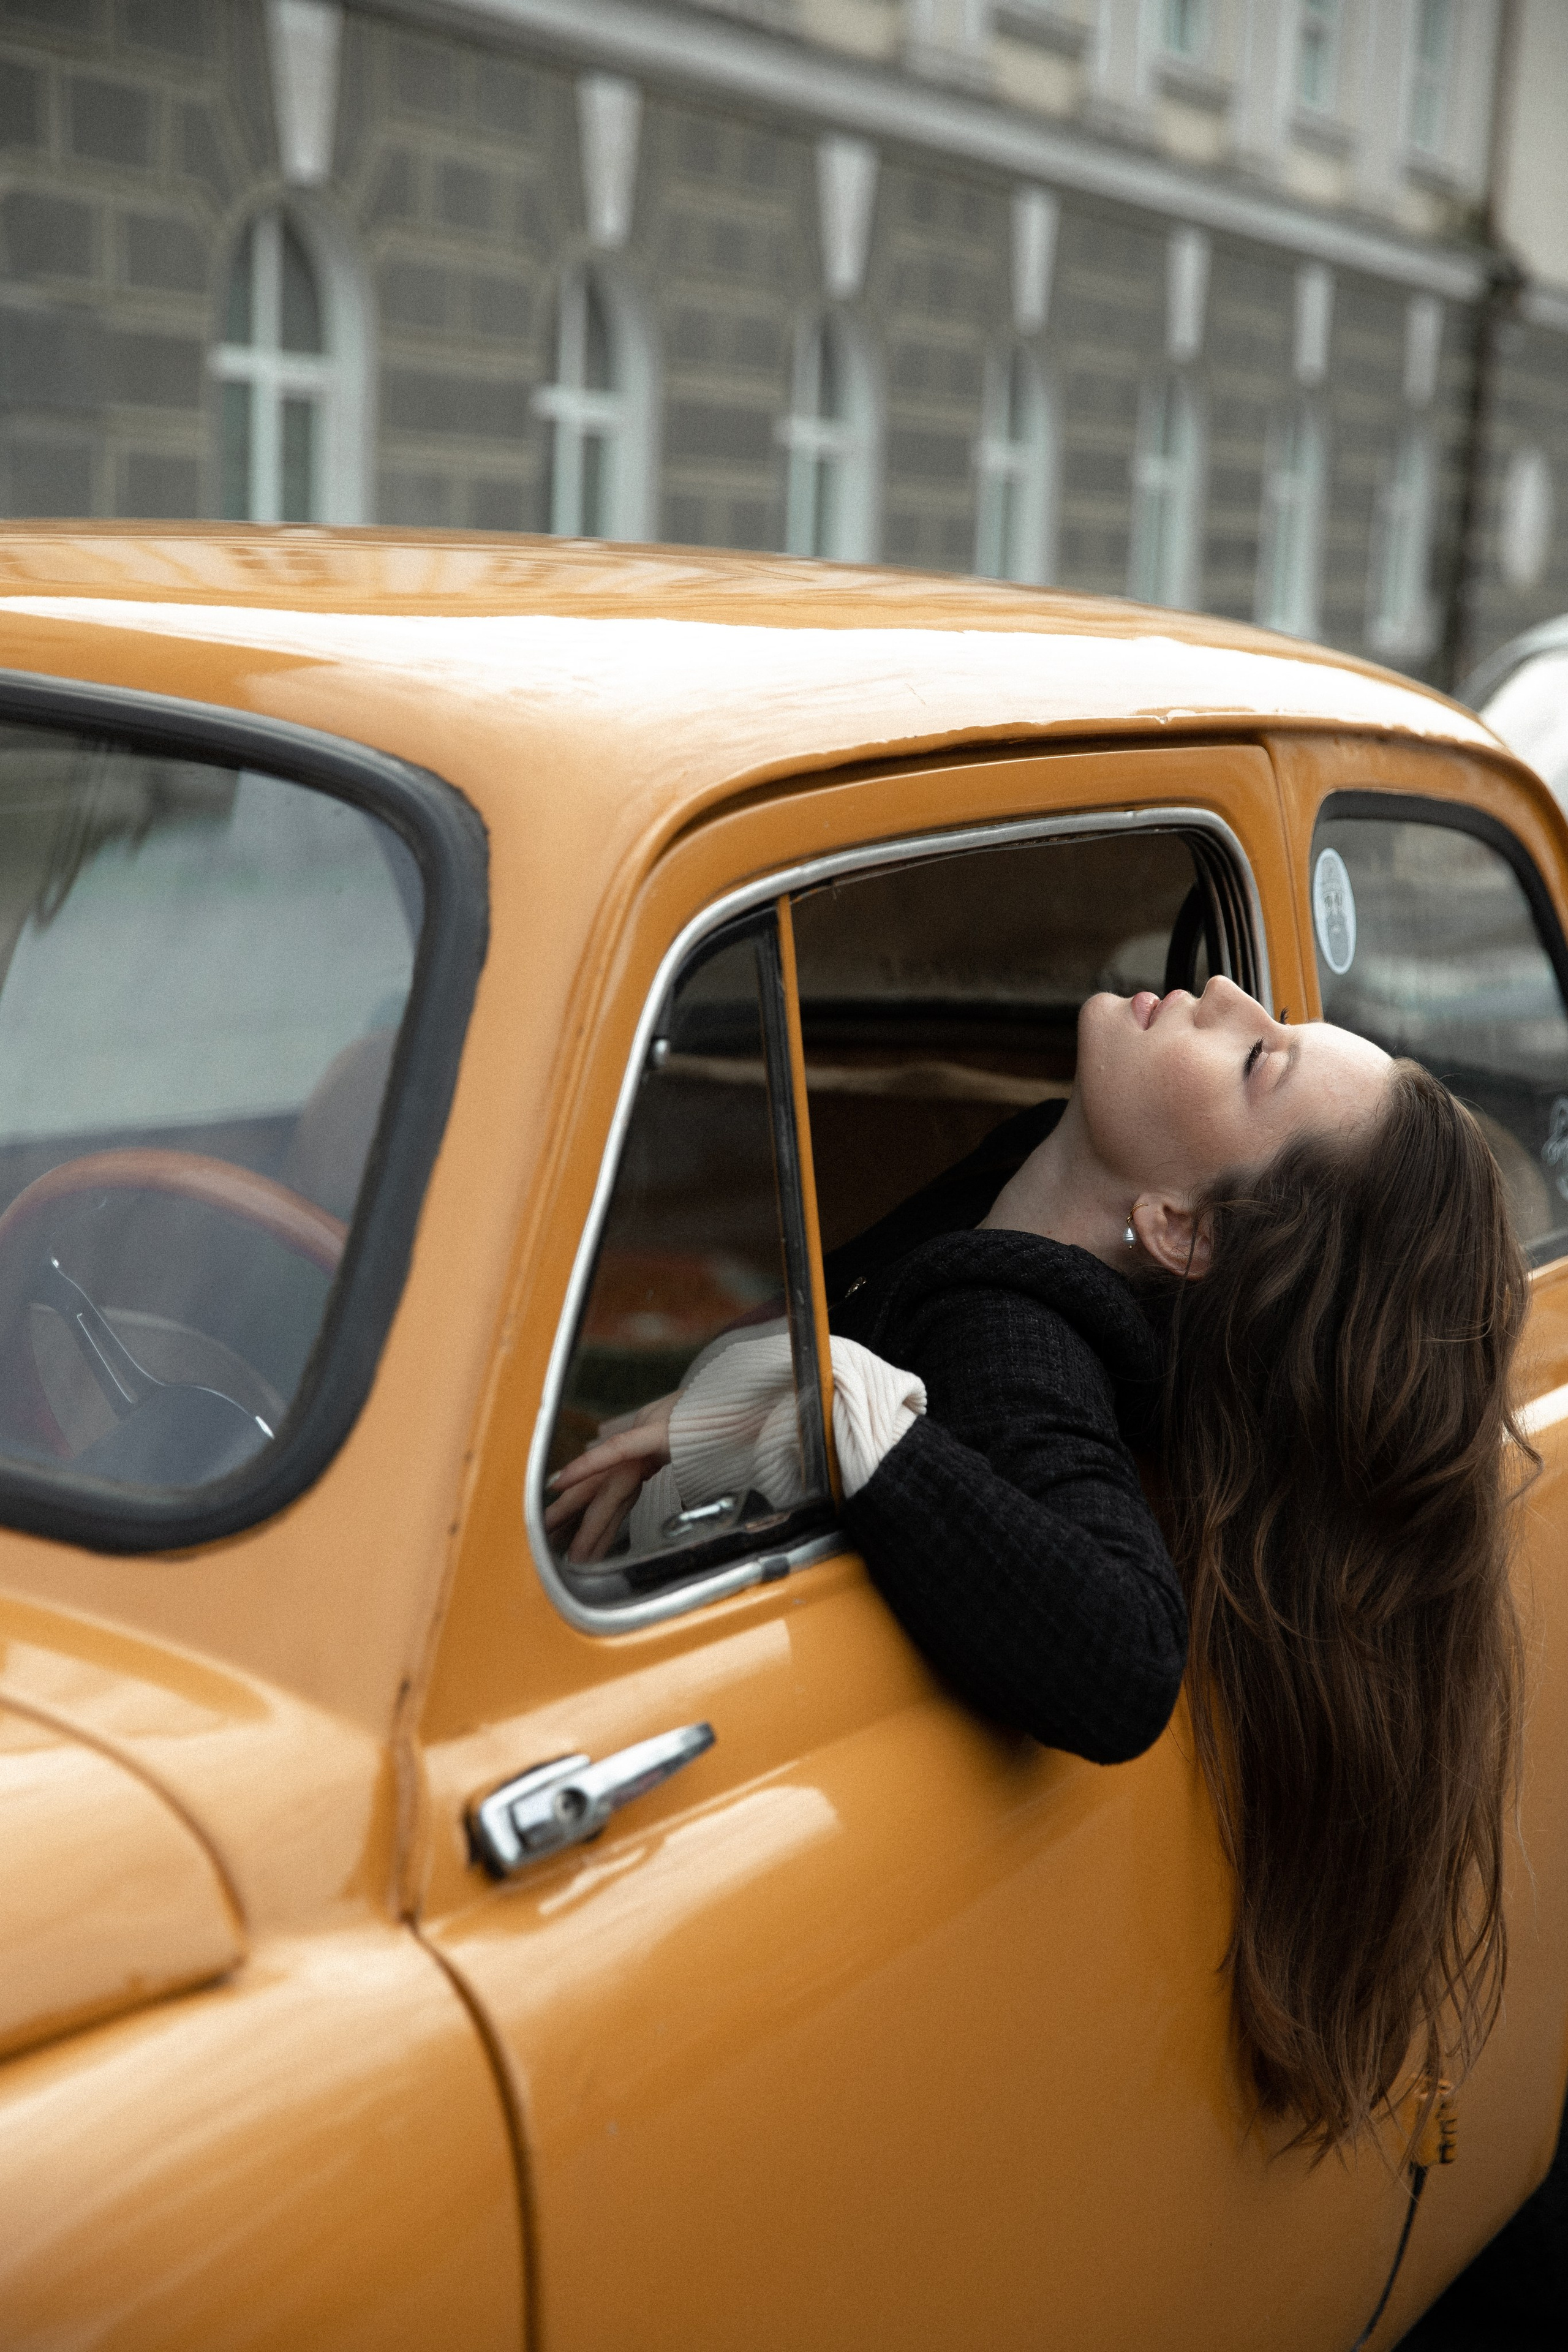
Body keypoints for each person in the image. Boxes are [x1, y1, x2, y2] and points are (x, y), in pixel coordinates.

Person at [546, 974, 1528, 2152]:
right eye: (1265, 1018)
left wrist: (834, 1411)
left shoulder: (1017, 1344)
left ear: (1183, 1230)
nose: (1224, 991)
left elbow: (1122, 1658)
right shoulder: (1033, 1201)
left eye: (1258, 1060)